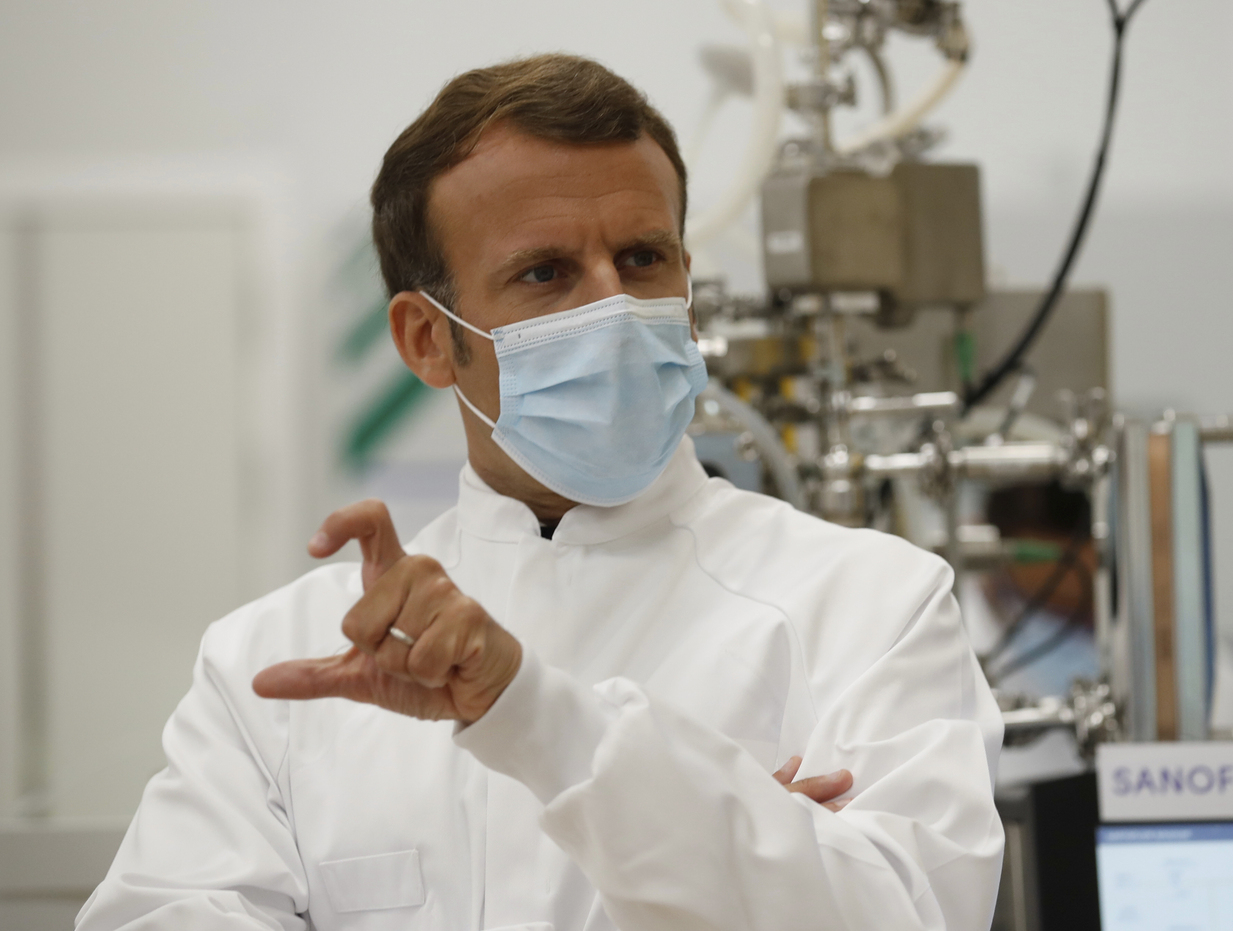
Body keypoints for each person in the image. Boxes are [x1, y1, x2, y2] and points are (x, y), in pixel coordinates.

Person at [77, 54, 1003, 931]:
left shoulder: (872, 607)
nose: (613, 306)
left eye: (644, 258)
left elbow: (904, 910)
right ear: (426, 341)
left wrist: (531, 712)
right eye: (546, 273)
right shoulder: (281, 661)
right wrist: (742, 845)